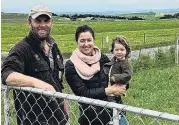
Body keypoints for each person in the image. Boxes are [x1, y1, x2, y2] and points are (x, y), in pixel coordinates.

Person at [1, 5, 68, 125]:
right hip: (34, 119)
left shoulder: (53, 46)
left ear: (51, 23)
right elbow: (7, 75)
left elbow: (57, 79)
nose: (42, 25)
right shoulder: (22, 48)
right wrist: (39, 84)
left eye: (46, 20)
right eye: (38, 20)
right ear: (29, 22)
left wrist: (63, 100)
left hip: (57, 117)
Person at [65, 25, 127, 125]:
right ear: (77, 42)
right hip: (92, 118)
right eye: (82, 41)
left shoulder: (102, 58)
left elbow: (114, 78)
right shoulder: (71, 65)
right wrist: (109, 91)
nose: (86, 44)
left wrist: (124, 79)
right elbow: (82, 93)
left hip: (116, 112)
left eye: (89, 40)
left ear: (93, 40)